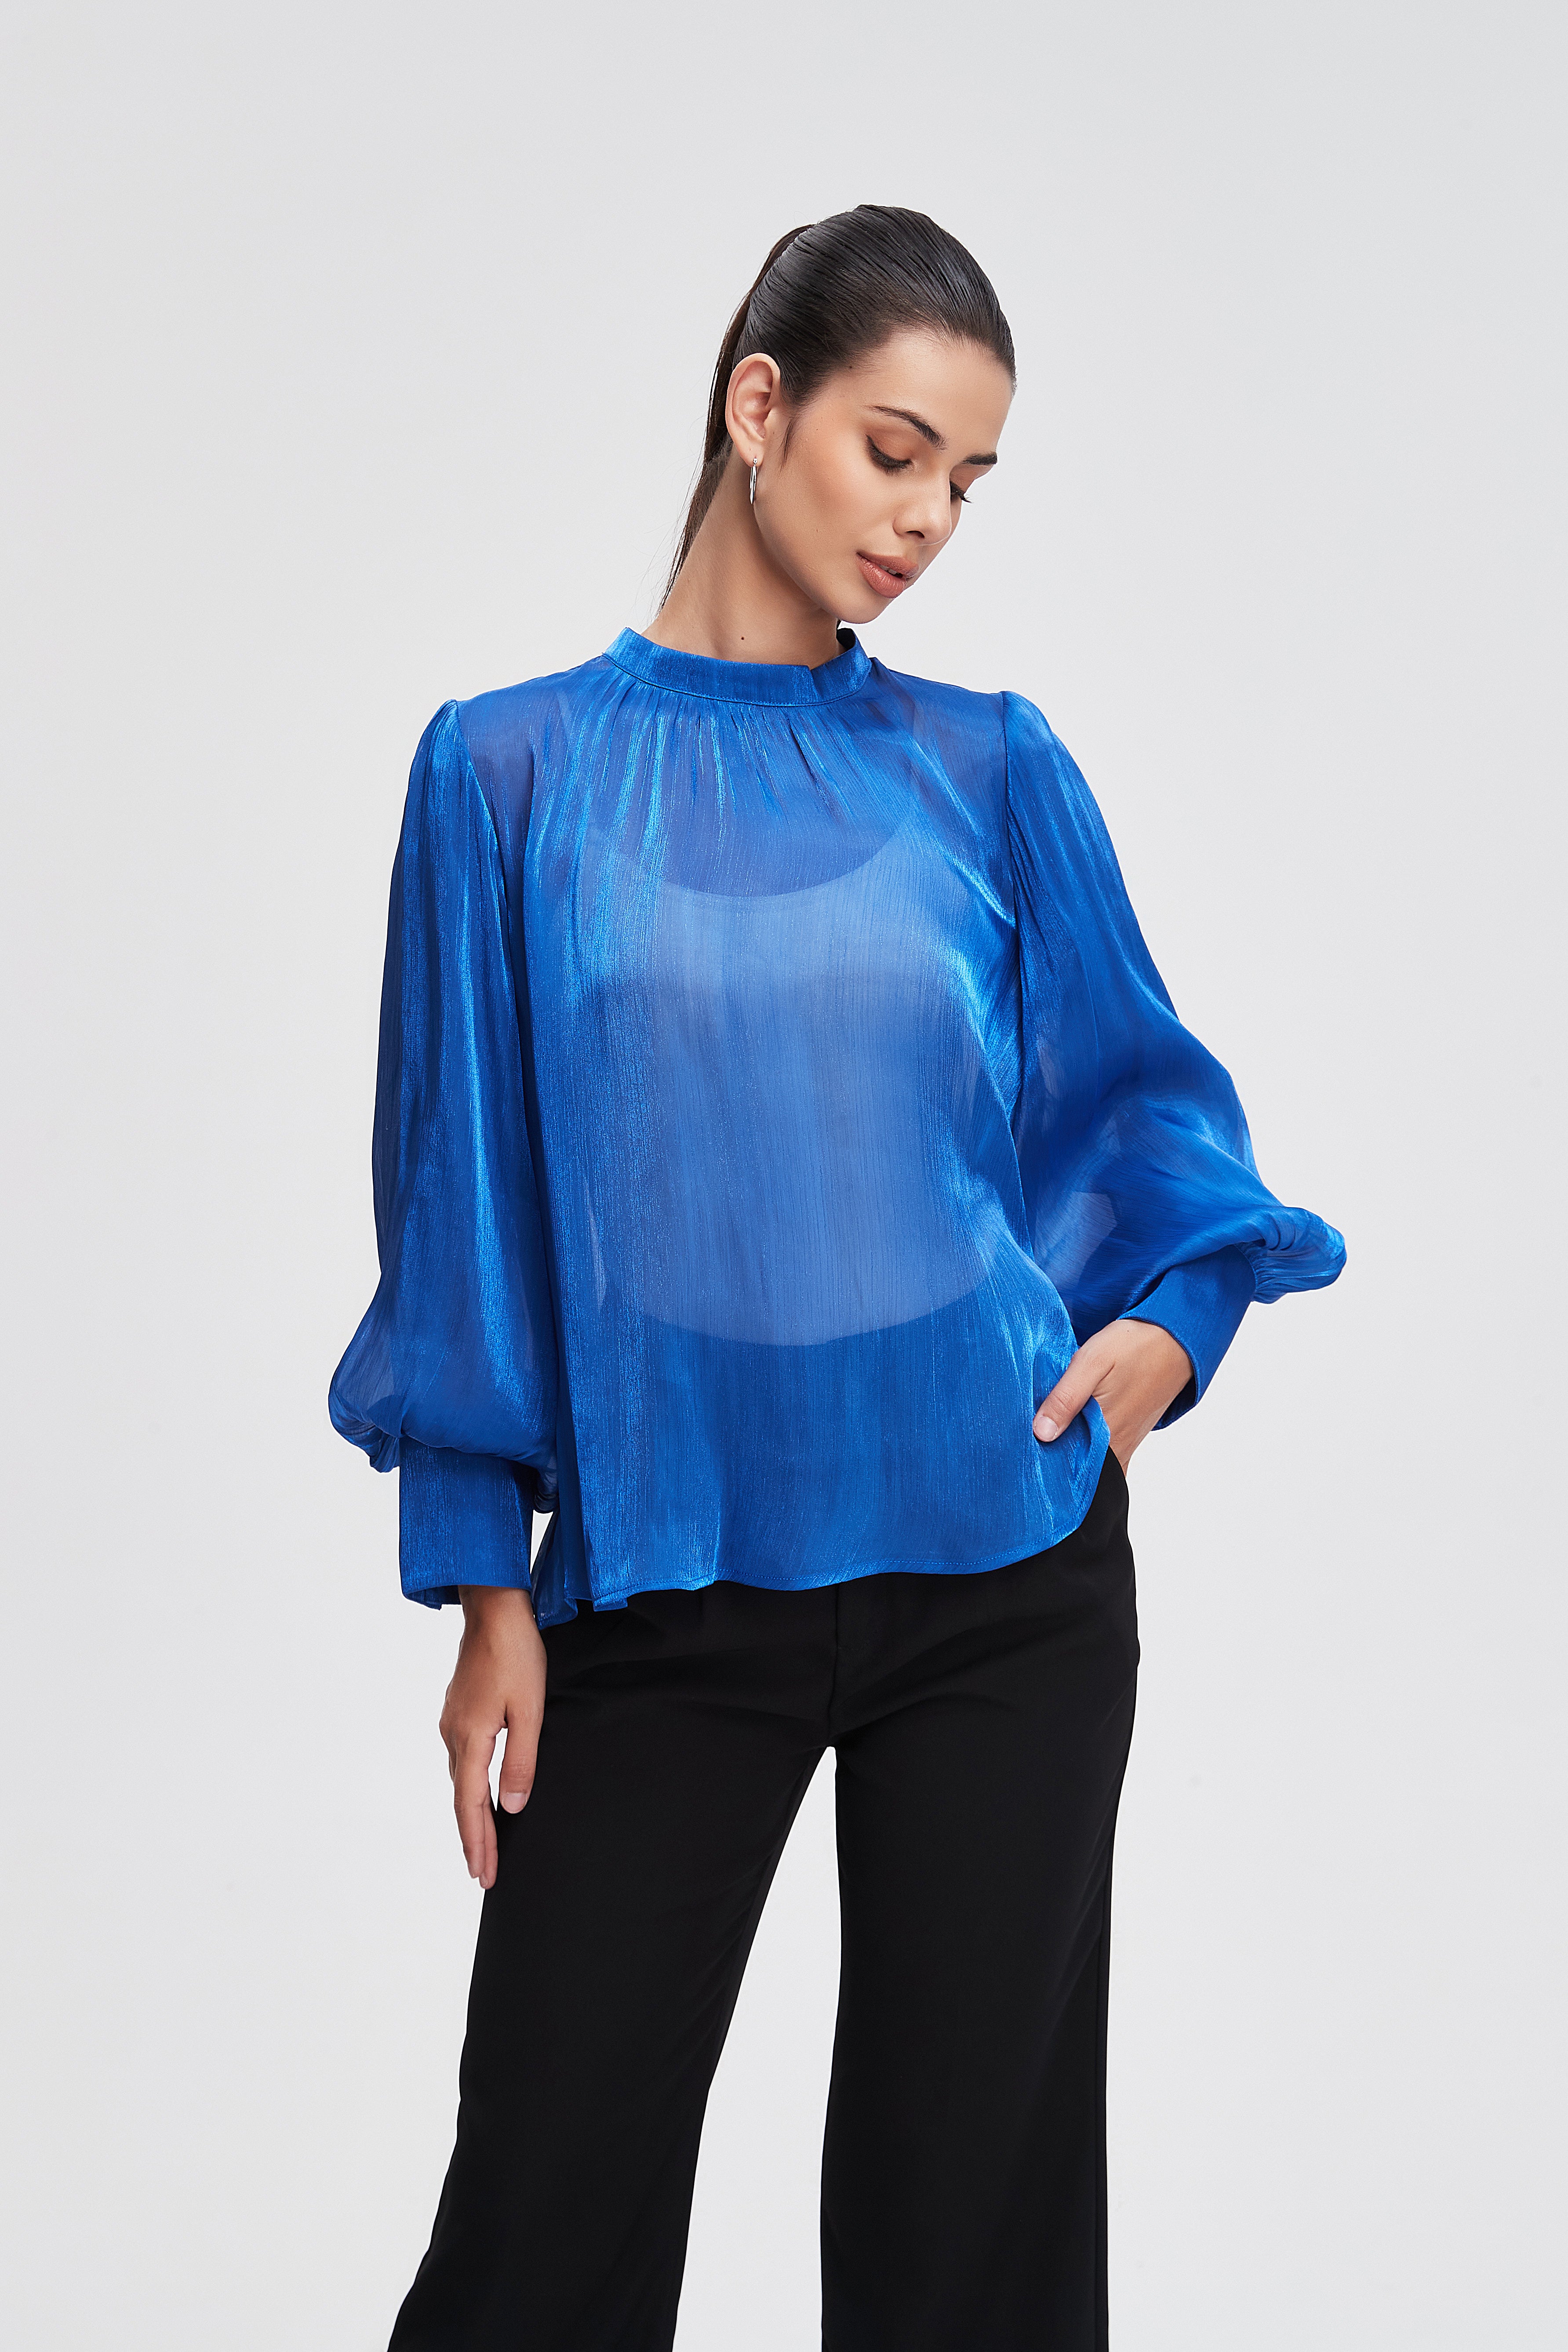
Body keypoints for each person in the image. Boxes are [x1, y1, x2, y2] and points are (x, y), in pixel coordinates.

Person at [330, 205, 1344, 2352]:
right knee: (543, 2218)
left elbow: (1150, 1113)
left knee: (972, 2242)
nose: (925, 521)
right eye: (895, 452)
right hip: (662, 1586)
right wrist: (481, 1573)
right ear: (757, 405)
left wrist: (1169, 1331)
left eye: (967, 482)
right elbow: (459, 1194)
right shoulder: (504, 770)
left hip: (1006, 1577)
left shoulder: (991, 764)